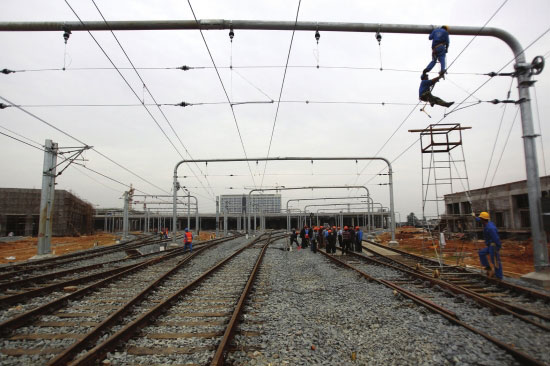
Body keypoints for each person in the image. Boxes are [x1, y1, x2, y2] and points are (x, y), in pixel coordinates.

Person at [473, 212, 503, 279]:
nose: (479, 220)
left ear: (483, 219)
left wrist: (498, 247)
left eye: (480, 219)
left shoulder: (490, 228)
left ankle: (499, 276)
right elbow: (479, 220)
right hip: (490, 245)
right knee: (481, 253)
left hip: (494, 246)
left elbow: (496, 238)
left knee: (495, 261)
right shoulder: (487, 223)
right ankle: (488, 268)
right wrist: (474, 216)